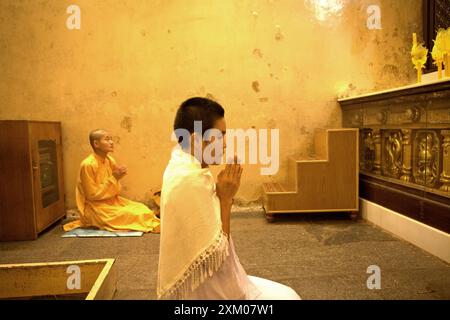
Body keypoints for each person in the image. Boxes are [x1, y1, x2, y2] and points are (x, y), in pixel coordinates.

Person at [157, 97, 300, 300]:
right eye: (220, 135)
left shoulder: (183, 164)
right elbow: (216, 257)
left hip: (203, 283)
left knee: (285, 294)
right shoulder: (189, 179)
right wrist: (225, 200)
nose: (225, 144)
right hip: (203, 293)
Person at [63, 129, 160, 233]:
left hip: (113, 202)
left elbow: (115, 188)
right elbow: (92, 195)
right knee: (135, 215)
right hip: (96, 208)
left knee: (142, 209)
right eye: (107, 139)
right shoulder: (88, 165)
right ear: (96, 144)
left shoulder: (110, 160)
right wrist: (114, 178)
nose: (111, 142)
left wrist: (117, 178)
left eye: (111, 139)